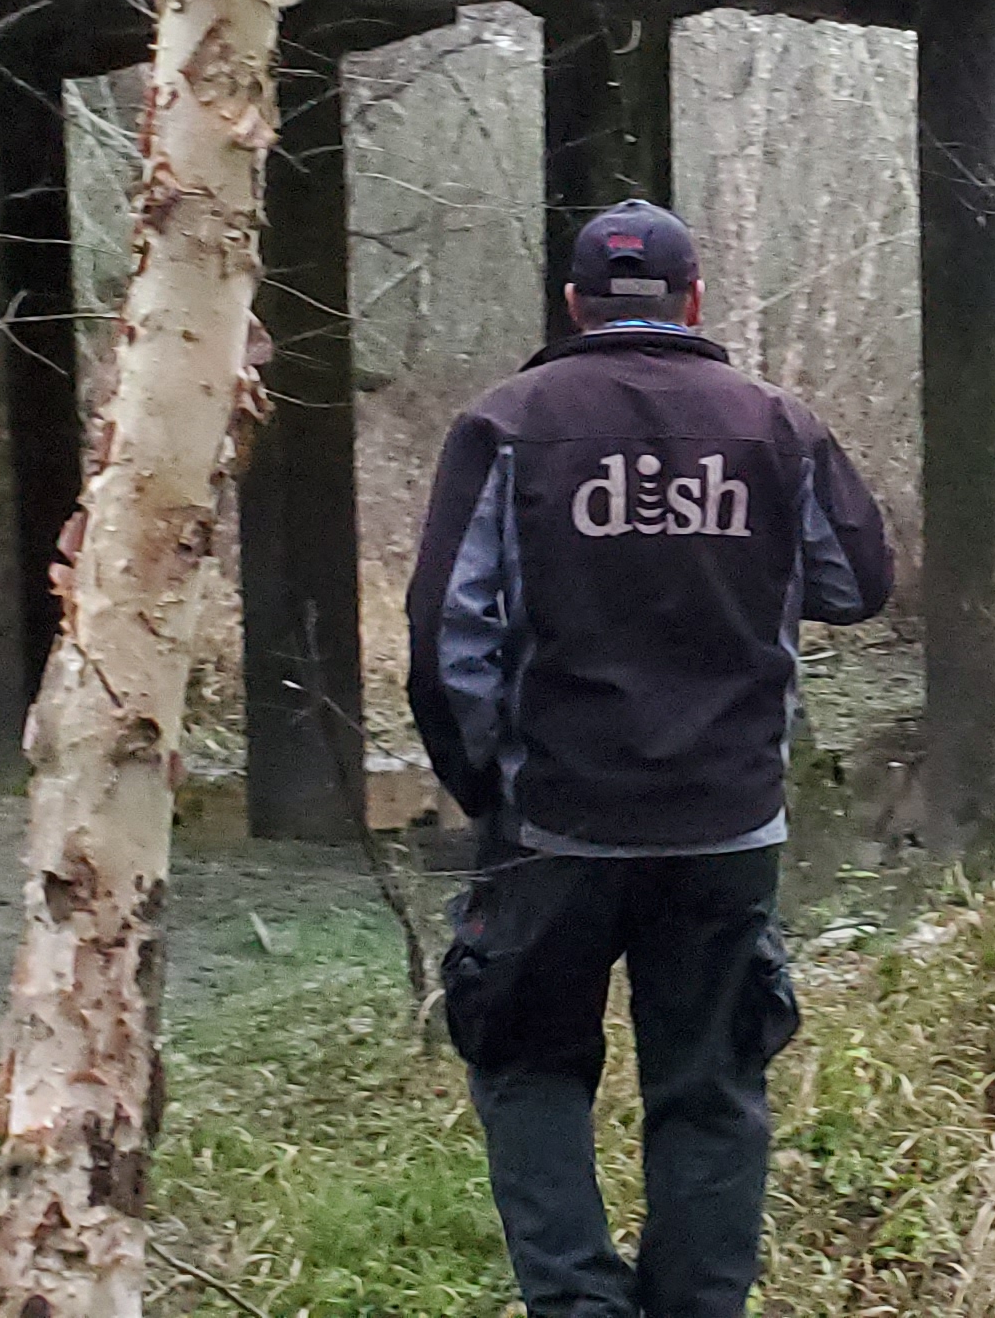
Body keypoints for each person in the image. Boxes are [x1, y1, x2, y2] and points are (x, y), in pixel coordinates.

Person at [407, 197, 894, 1318]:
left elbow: (447, 641)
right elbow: (854, 586)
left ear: (575, 304)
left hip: (554, 826)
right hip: (728, 825)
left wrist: (489, 787)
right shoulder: (776, 424)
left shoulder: (507, 423)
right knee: (713, 1089)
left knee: (528, 1065)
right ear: (695, 300)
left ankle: (579, 1308)